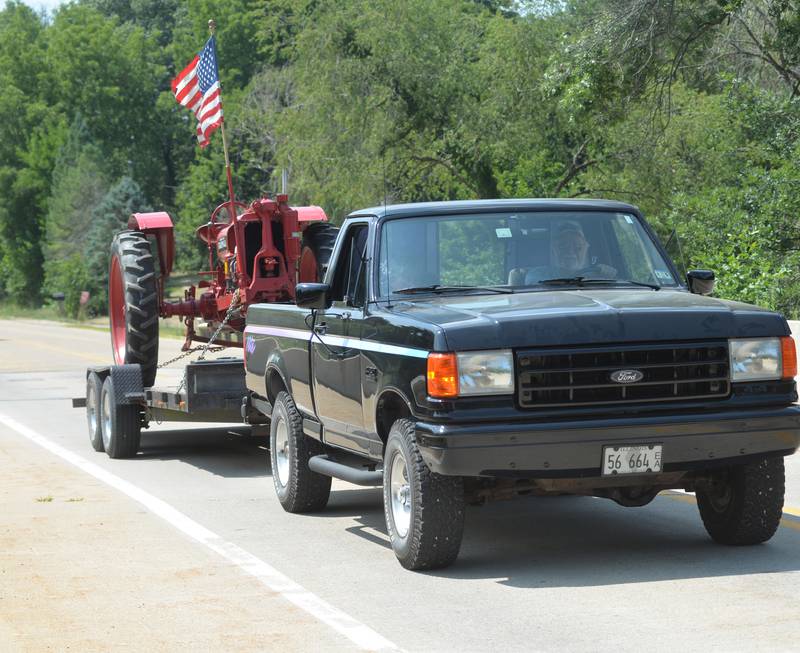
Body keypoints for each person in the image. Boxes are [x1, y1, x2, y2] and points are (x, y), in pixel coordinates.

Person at [522, 220, 616, 284]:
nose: (570, 252)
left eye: (578, 247)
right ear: (553, 250)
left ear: (586, 249)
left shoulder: (600, 275)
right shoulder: (537, 275)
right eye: (563, 247)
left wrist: (608, 275)